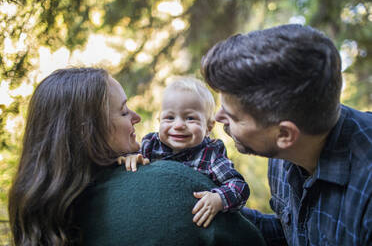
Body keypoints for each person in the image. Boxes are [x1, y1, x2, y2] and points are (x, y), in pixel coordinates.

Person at [8, 67, 266, 245]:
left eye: (190, 118)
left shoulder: (54, 214)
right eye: (123, 112)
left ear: (208, 126)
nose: (137, 118)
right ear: (89, 130)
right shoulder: (168, 183)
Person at [201, 23, 372, 246]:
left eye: (233, 116)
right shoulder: (286, 155)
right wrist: (219, 212)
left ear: (284, 134)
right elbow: (293, 232)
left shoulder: (366, 193)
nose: (218, 117)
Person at [122, 78, 249, 228]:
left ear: (208, 127)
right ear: (159, 120)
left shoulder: (210, 154)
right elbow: (133, 165)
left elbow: (239, 187)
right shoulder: (150, 145)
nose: (179, 125)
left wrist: (218, 199)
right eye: (170, 118)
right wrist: (131, 158)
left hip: (195, 226)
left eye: (190, 118)